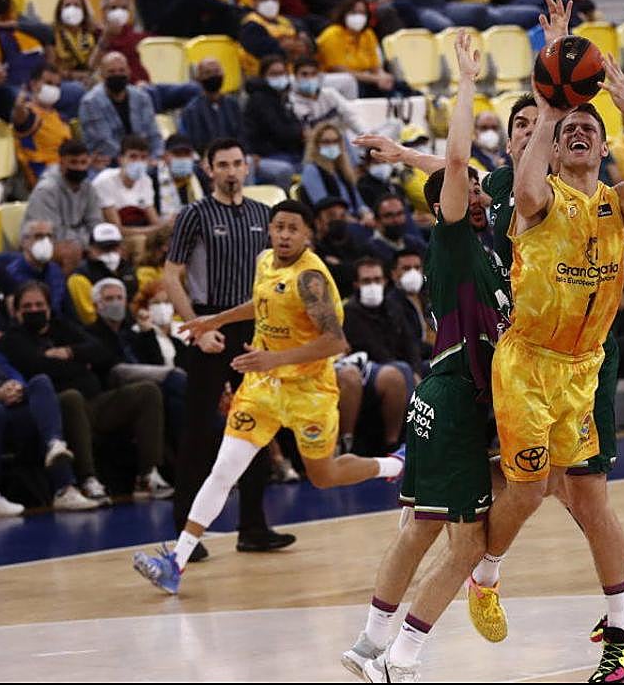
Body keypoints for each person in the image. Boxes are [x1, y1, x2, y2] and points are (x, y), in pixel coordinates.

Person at [466, 46, 624, 677]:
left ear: (603, 149)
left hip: (582, 370)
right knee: (526, 489)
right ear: (550, 147)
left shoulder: (616, 203)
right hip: (528, 364)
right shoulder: (540, 200)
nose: (579, 133)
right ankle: (486, 571)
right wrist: (552, 105)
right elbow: (524, 182)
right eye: (567, 130)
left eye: (589, 129)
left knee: (587, 491)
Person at [340, 34, 513, 681]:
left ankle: (367, 646)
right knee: (465, 540)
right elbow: (462, 160)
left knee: (418, 528)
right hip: (453, 396)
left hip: (452, 399)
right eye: (462, 184)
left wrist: (404, 151)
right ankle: (401, 658)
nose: (475, 186)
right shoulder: (451, 233)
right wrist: (466, 84)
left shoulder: (490, 251)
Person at [133, 198, 402, 594]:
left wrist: (273, 357)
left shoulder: (310, 280)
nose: (284, 235)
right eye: (279, 227)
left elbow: (334, 342)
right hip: (263, 387)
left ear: (309, 233)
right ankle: (177, 560)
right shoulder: (264, 260)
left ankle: (394, 466)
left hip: (309, 391)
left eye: (294, 228)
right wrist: (216, 319)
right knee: (224, 469)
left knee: (323, 477)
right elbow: (262, 304)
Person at [162, 138, 292, 563]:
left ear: (247, 166)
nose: (232, 171)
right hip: (209, 326)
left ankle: (253, 526)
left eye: (238, 163)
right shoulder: (194, 214)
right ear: (209, 169)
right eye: (223, 165)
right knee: (200, 432)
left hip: (253, 327)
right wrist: (197, 329)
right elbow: (171, 274)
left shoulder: (262, 214)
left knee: (256, 425)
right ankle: (186, 532)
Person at [2, 278, 172, 497]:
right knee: (72, 397)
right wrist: (81, 364)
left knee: (147, 391)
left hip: (95, 401)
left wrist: (70, 353)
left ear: (48, 307)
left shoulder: (62, 326)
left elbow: (101, 351)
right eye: (27, 307)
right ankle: (87, 479)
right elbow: (38, 368)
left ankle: (148, 475)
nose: (34, 310)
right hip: (57, 408)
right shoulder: (13, 339)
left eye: (39, 305)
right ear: (16, 312)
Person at [0, 283, 102, 515]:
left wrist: (16, 385)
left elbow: (5, 366)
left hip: (1, 402)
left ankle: (62, 478)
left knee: (40, 385)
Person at [338, 256, 421, 451]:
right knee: (400, 371)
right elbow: (373, 350)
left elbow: (411, 343)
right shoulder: (349, 312)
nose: (373, 285)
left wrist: (417, 369)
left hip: (396, 363)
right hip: (367, 370)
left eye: (377, 280)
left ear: (385, 281)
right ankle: (394, 443)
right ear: (356, 284)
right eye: (367, 281)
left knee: (431, 367)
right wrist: (410, 370)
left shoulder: (393, 306)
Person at [24, 139, 105, 271]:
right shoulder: (46, 190)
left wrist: (100, 244)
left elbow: (95, 223)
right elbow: (53, 232)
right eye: (73, 162)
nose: (79, 167)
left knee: (114, 248)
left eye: (83, 162)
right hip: (41, 243)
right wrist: (87, 244)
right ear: (61, 163)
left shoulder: (88, 187)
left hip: (78, 243)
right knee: (71, 251)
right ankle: (63, 289)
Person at [79, 52, 165, 168]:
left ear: (129, 72)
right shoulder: (90, 102)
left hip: (144, 161)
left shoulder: (142, 97)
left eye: (121, 71)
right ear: (102, 74)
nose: (117, 75)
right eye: (111, 72)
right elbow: (104, 142)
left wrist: (157, 157)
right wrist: (134, 160)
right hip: (109, 163)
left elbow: (154, 134)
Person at [316, 0, 402, 99]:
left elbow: (375, 66)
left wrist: (383, 76)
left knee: (399, 85)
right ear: (344, 13)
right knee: (359, 86)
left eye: (362, 13)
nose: (358, 17)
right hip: (342, 80)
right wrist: (375, 79)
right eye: (354, 13)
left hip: (368, 78)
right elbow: (338, 69)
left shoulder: (368, 34)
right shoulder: (332, 35)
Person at [243, 55, 305, 189]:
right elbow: (279, 131)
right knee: (286, 170)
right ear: (263, 76)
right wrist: (300, 134)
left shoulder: (282, 97)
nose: (279, 77)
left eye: (282, 73)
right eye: (274, 74)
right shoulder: (259, 99)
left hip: (288, 152)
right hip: (268, 155)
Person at [11, 63, 72, 190]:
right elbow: (19, 118)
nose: (54, 89)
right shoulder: (29, 114)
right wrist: (18, 107)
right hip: (41, 174)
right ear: (34, 84)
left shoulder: (61, 118)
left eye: (57, 85)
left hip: (64, 167)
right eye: (49, 83)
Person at [93, 135, 164, 238]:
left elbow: (154, 220)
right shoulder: (104, 181)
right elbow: (117, 230)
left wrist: (164, 227)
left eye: (143, 157)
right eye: (133, 156)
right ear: (121, 159)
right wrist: (157, 229)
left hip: (141, 231)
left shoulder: (146, 180)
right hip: (111, 238)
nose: (138, 162)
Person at [238, 0, 314, 76]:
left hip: (294, 75)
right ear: (254, 1)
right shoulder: (250, 26)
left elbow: (309, 45)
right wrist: (295, 46)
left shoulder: (288, 21)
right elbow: (270, 52)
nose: (270, 3)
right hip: (265, 78)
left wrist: (291, 45)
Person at [7, 219, 74, 319]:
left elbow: (68, 310)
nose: (45, 241)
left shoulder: (55, 270)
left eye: (49, 236)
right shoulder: (11, 274)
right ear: (24, 242)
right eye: (39, 236)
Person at [177, 58, 243, 155]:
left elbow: (242, 135)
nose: (213, 76)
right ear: (198, 78)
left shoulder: (233, 104)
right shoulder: (191, 110)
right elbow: (193, 142)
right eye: (208, 72)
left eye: (216, 71)